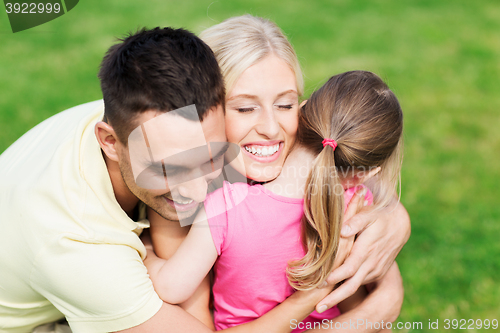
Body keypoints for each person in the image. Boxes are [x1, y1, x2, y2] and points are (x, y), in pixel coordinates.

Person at [0, 26, 317, 333]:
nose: (197, 191)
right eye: (171, 168)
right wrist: (329, 297)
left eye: (209, 157)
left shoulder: (148, 110)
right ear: (110, 142)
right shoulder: (79, 244)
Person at [148, 14, 410, 329]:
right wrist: (381, 301)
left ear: (305, 107)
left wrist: (397, 219)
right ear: (200, 113)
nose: (271, 129)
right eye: (245, 108)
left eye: (285, 105)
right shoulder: (180, 197)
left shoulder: (236, 203)